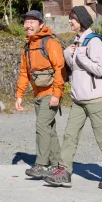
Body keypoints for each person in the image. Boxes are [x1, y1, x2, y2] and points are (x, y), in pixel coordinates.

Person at [43, 6, 102, 190]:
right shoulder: (77, 41)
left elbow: (99, 68)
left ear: (82, 21)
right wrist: (68, 55)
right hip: (78, 99)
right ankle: (64, 172)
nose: (70, 21)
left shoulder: (94, 41)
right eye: (70, 18)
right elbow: (75, 67)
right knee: (70, 135)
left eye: (73, 18)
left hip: (95, 99)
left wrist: (79, 54)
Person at [15, 10, 65, 179]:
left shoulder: (50, 43)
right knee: (49, 129)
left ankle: (42, 164)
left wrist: (56, 95)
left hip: (50, 92)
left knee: (42, 126)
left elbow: (60, 69)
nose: (28, 25)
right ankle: (57, 164)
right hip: (37, 94)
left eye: (32, 22)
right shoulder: (27, 47)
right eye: (26, 22)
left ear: (41, 24)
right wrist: (19, 95)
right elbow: (24, 73)